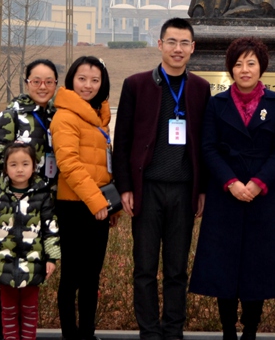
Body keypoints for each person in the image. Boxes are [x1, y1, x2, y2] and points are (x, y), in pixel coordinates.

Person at [112, 17, 212, 340]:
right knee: (144, 267)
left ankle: (173, 330)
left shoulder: (200, 88)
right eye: (171, 42)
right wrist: (125, 187)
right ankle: (149, 331)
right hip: (147, 189)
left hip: (183, 190)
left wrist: (202, 189)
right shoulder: (136, 84)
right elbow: (122, 140)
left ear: (192, 48)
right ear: (160, 45)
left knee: (176, 268)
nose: (177, 49)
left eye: (184, 43)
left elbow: (205, 143)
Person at [189, 37, 275, 340]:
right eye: (238, 64)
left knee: (257, 267)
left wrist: (259, 183)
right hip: (226, 195)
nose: (244, 69)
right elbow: (208, 148)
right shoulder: (216, 103)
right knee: (224, 264)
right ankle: (227, 330)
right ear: (230, 69)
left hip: (262, 196)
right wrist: (230, 182)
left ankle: (250, 330)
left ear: (261, 67)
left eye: (251, 63)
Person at [0, 59, 59, 340]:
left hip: (44, 205)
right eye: (36, 81)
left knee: (31, 278)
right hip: (10, 206)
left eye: (49, 81)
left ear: (56, 84)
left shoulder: (57, 114)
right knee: (1, 274)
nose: (42, 86)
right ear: (27, 83)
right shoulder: (11, 115)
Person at [51, 56, 117, 340]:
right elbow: (69, 164)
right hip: (75, 207)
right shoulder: (65, 116)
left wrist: (110, 206)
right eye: (82, 79)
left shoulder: (98, 118)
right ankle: (70, 334)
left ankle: (87, 334)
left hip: (97, 207)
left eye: (94, 80)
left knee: (91, 277)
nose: (87, 85)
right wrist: (98, 202)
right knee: (72, 277)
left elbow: (103, 165)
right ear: (71, 80)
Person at [0, 142, 60, 340]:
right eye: (13, 164)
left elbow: (50, 228)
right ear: (5, 168)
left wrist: (52, 258)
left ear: (34, 166)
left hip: (32, 264)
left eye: (25, 164)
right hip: (3, 265)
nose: (20, 169)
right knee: (8, 311)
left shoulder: (42, 196)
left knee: (30, 310)